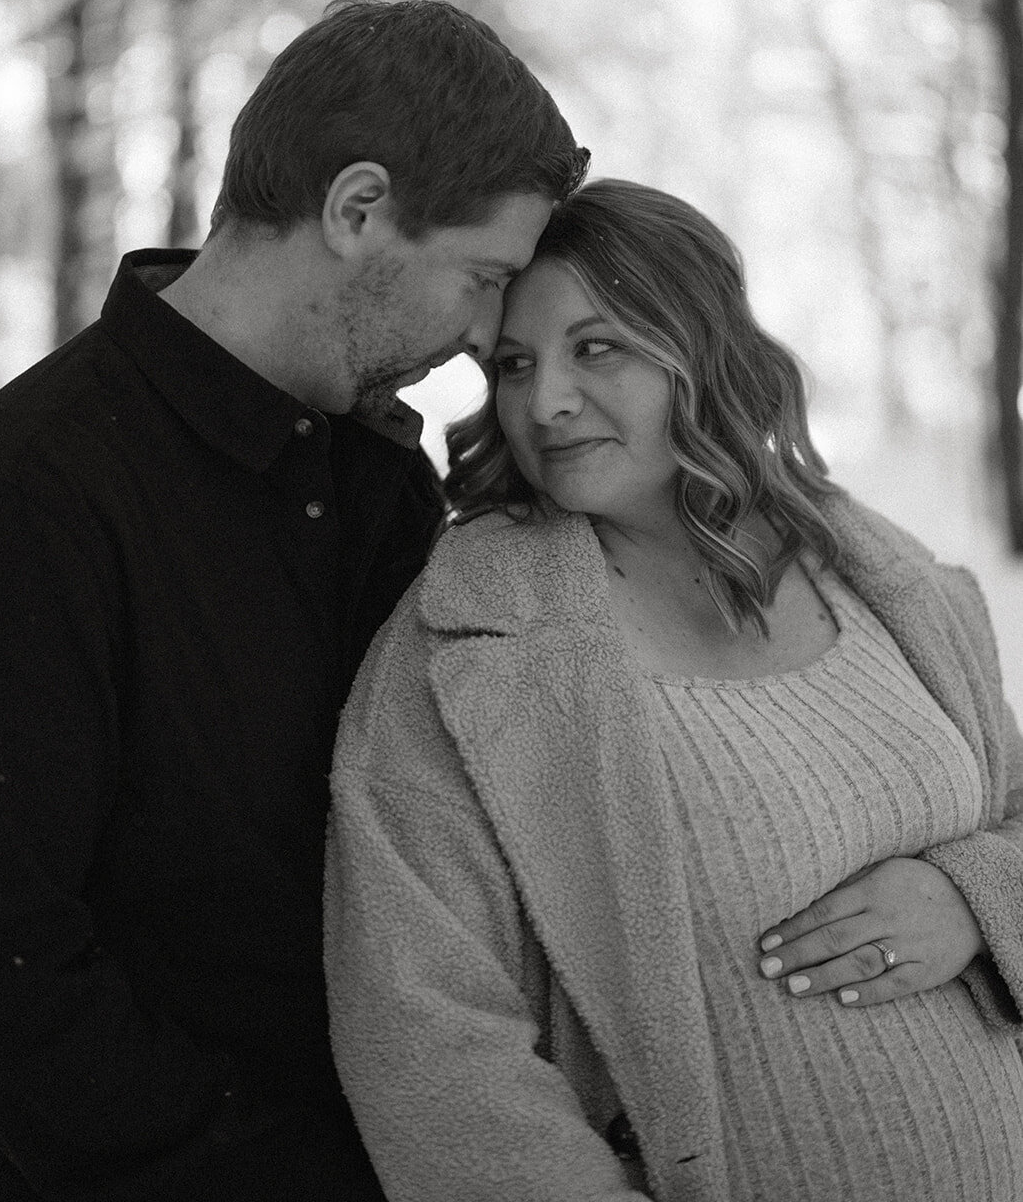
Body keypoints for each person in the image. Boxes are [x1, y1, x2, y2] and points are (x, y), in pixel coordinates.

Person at [0, 0, 588, 1201]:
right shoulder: (22, 498)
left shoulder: (375, 478)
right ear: (356, 208)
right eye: (478, 276)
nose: (478, 335)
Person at [326, 176, 1023, 1202]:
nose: (546, 402)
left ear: (700, 348)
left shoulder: (888, 581)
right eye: (512, 364)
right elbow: (428, 1042)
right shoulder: (464, 653)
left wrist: (974, 895)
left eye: (595, 346)